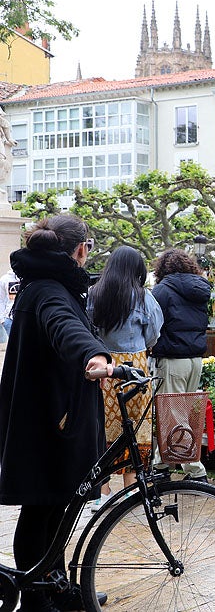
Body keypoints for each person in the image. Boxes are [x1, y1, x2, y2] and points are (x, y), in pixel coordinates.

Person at [0, 215, 114, 612]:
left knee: (55, 507)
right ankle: (35, 598)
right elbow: (65, 327)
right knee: (41, 508)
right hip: (47, 419)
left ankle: (56, 584)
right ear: (80, 249)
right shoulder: (50, 290)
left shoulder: (48, 285)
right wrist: (93, 356)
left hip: (49, 413)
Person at [88, 246, 163, 511]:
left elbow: (89, 329)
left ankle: (103, 492)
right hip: (136, 368)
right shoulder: (143, 297)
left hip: (104, 367)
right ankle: (131, 492)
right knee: (136, 426)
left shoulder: (95, 294)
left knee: (105, 426)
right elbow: (155, 331)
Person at [150, 248, 211, 482]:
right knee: (177, 412)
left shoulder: (161, 290)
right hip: (195, 360)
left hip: (172, 360)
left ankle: (196, 471)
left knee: (174, 415)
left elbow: (153, 325)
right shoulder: (200, 288)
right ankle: (160, 465)